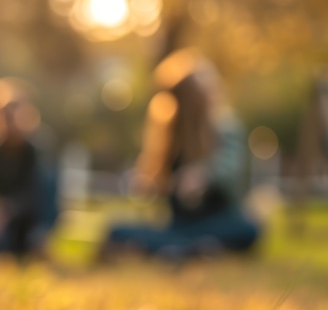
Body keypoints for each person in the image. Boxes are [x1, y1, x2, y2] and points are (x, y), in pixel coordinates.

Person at [100, 49, 259, 263]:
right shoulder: (169, 139)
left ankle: (176, 247)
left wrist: (204, 175)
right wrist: (146, 183)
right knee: (116, 229)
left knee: (249, 228)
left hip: (219, 220)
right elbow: (154, 183)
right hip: (180, 225)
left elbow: (231, 168)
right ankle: (191, 248)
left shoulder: (226, 130)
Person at [0, 78, 58, 259]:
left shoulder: (38, 152)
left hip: (29, 225)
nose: (10, 120)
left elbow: (39, 199)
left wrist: (5, 211)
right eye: (3, 114)